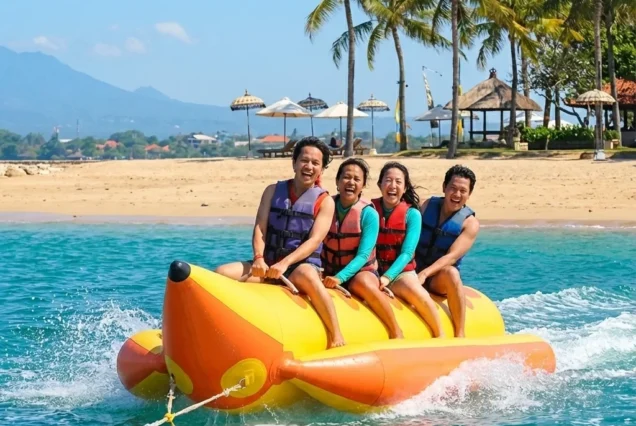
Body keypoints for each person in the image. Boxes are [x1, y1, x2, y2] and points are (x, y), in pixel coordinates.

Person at [215, 136, 345, 348]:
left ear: (321, 170)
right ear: (294, 163)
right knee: (222, 273)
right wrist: (258, 258)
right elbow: (260, 227)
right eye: (304, 160)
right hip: (267, 266)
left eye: (315, 163)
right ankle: (217, 329)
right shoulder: (272, 191)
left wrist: (285, 264)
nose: (308, 166)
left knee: (307, 275)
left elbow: (314, 241)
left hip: (298, 267)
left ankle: (336, 334)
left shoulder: (325, 201)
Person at [320, 158, 401, 339]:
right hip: (330, 268)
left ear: (363, 185)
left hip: (361, 271)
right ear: (337, 182)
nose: (351, 182)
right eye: (346, 177)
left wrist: (340, 278)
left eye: (357, 179)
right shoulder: (326, 205)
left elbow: (364, 254)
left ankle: (396, 331)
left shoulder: (368, 214)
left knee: (362, 282)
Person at [371, 162, 444, 338]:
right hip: (372, 270)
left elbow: (407, 253)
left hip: (400, 273)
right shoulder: (369, 209)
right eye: (388, 180)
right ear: (380, 184)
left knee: (416, 291)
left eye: (398, 182)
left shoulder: (412, 214)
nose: (392, 186)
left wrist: (388, 277)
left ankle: (440, 335)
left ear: (405, 188)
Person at [414, 165, 479, 338]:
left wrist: (424, 274)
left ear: (469, 194)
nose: (457, 195)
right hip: (413, 269)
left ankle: (459, 333)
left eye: (463, 191)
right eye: (453, 188)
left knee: (451, 273)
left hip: (437, 279)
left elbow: (451, 257)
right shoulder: (427, 206)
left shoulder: (470, 224)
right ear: (444, 187)